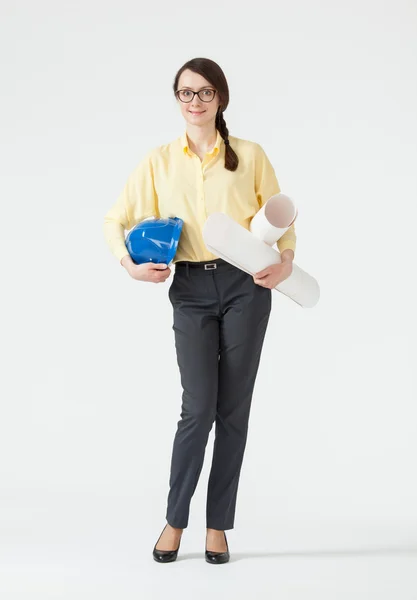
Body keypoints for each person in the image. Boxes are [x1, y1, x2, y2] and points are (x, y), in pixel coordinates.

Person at [103, 57, 296, 564]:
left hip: (245, 285)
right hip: (188, 288)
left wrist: (286, 262)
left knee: (233, 411)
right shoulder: (159, 161)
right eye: (186, 93)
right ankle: (174, 519)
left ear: (220, 99)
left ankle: (218, 526)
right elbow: (115, 218)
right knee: (198, 408)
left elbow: (281, 217)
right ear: (177, 100)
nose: (195, 102)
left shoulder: (249, 155)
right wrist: (129, 264)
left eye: (205, 93)